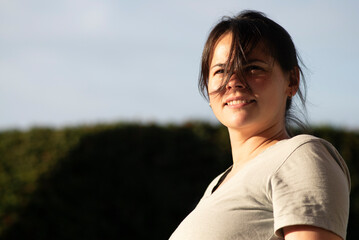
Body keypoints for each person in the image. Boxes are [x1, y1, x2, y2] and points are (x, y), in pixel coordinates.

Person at [169, 10, 350, 240]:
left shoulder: (300, 156)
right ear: (207, 86)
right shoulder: (218, 184)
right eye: (221, 71)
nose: (233, 82)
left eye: (253, 68)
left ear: (291, 81)